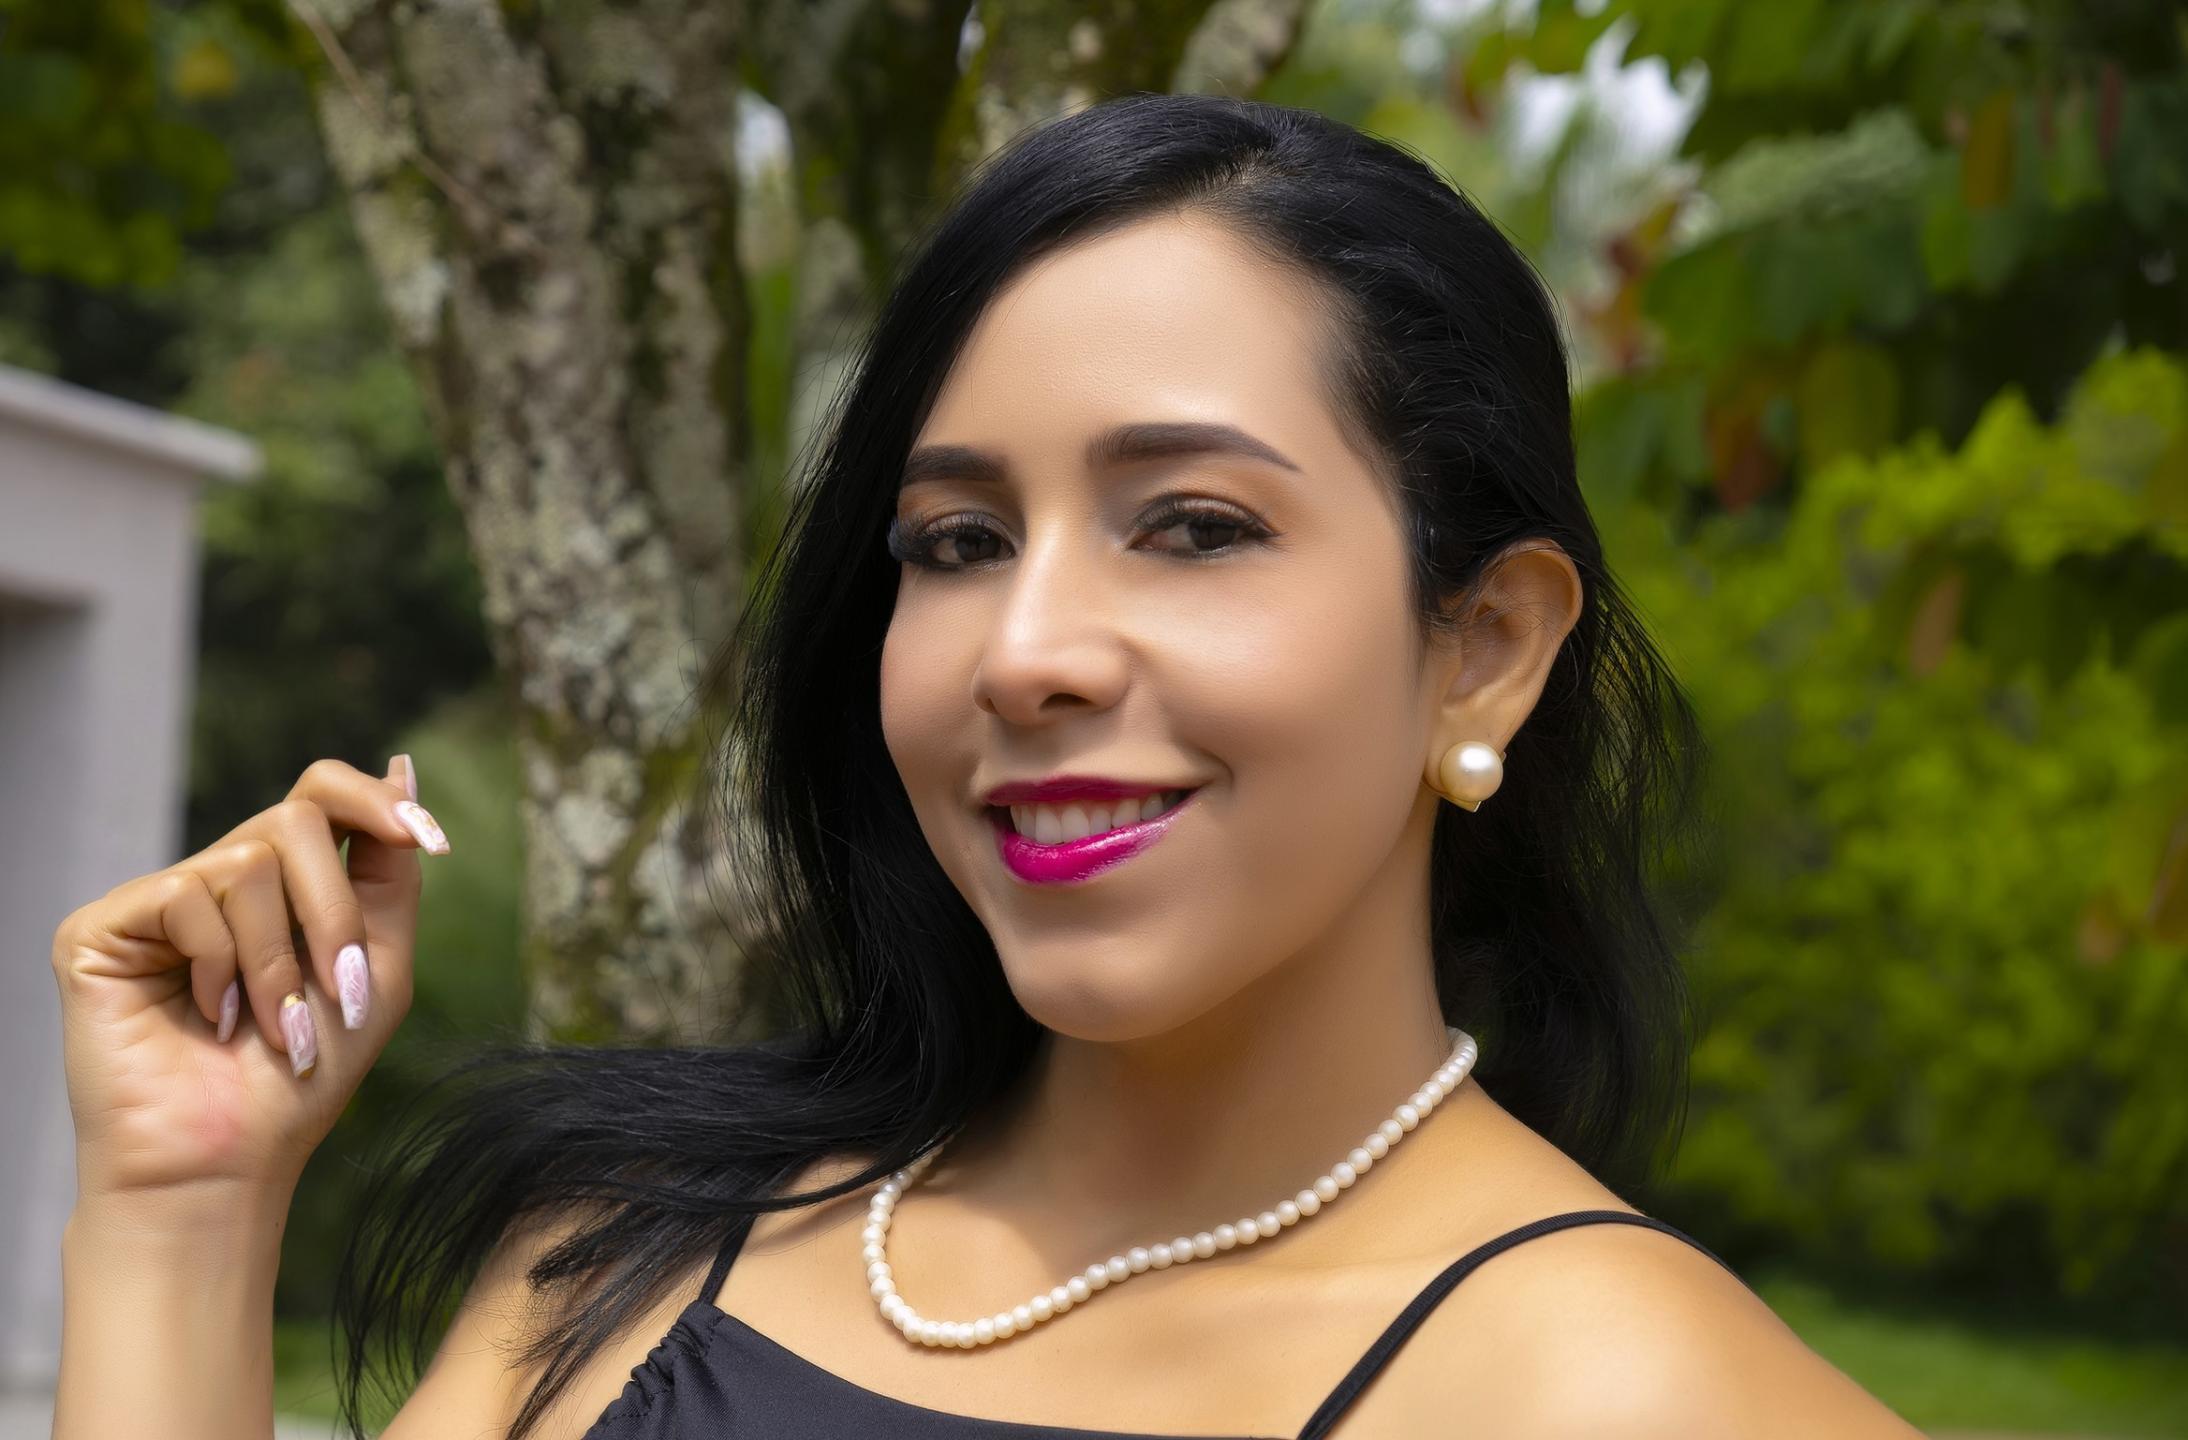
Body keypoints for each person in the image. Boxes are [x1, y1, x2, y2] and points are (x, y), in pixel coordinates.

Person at [49, 93, 1924, 1439]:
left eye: (1192, 527)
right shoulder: (625, 1261)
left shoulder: (1634, 1391)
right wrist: (182, 1207)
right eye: (955, 542)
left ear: (1483, 645)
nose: (1023, 653)